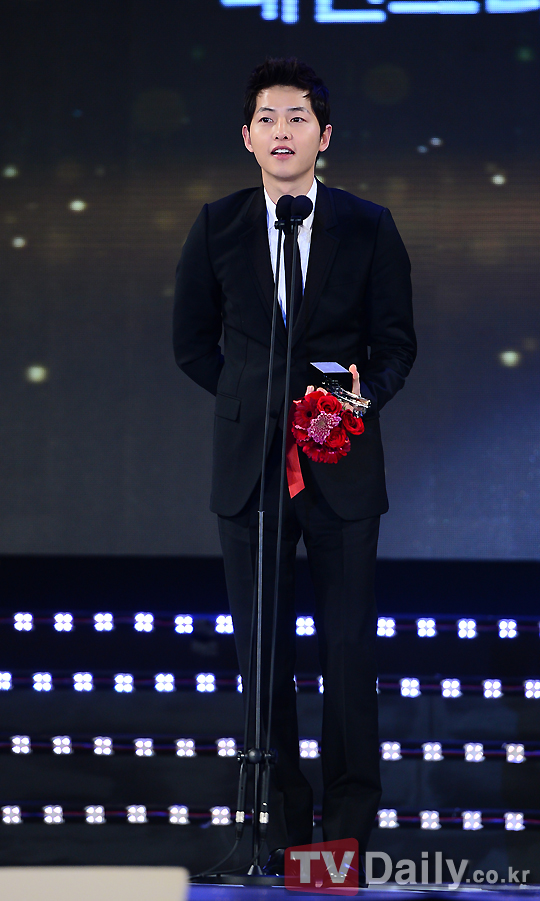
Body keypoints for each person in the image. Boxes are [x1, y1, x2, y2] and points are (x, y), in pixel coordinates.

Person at [173, 57, 416, 875]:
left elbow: (396, 345)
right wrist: (255, 403)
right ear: (246, 137)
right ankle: (276, 833)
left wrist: (359, 399)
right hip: (251, 474)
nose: (283, 132)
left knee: (347, 652)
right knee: (263, 654)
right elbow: (192, 344)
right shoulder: (218, 225)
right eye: (268, 119)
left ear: (325, 135)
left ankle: (341, 841)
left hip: (342, 468)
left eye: (298, 118)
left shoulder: (369, 225)